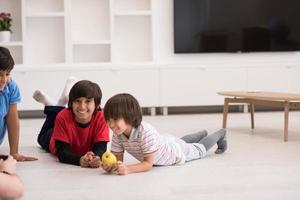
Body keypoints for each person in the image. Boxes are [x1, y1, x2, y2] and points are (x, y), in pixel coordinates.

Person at [102, 93, 227, 175]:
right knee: (181, 141)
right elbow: (118, 160)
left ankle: (221, 133)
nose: (111, 125)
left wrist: (128, 169)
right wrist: (112, 166)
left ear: (129, 116)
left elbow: (148, 164)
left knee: (199, 149)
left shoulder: (145, 132)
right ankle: (201, 133)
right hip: (164, 143)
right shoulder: (118, 133)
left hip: (173, 153)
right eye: (108, 120)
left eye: (115, 119)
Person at [33, 79, 109, 167]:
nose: (82, 107)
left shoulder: (102, 118)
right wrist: (79, 160)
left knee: (62, 115)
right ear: (71, 103)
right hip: (53, 137)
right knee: (41, 138)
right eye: (77, 101)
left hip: (66, 130)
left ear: (97, 104)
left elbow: (101, 148)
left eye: (88, 101)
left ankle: (59, 103)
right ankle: (51, 105)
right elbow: (62, 153)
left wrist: (97, 157)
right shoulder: (63, 117)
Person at [0, 46, 37, 162]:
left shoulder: (11, 87)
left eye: (7, 74)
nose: (4, 79)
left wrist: (14, 152)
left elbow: (12, 120)